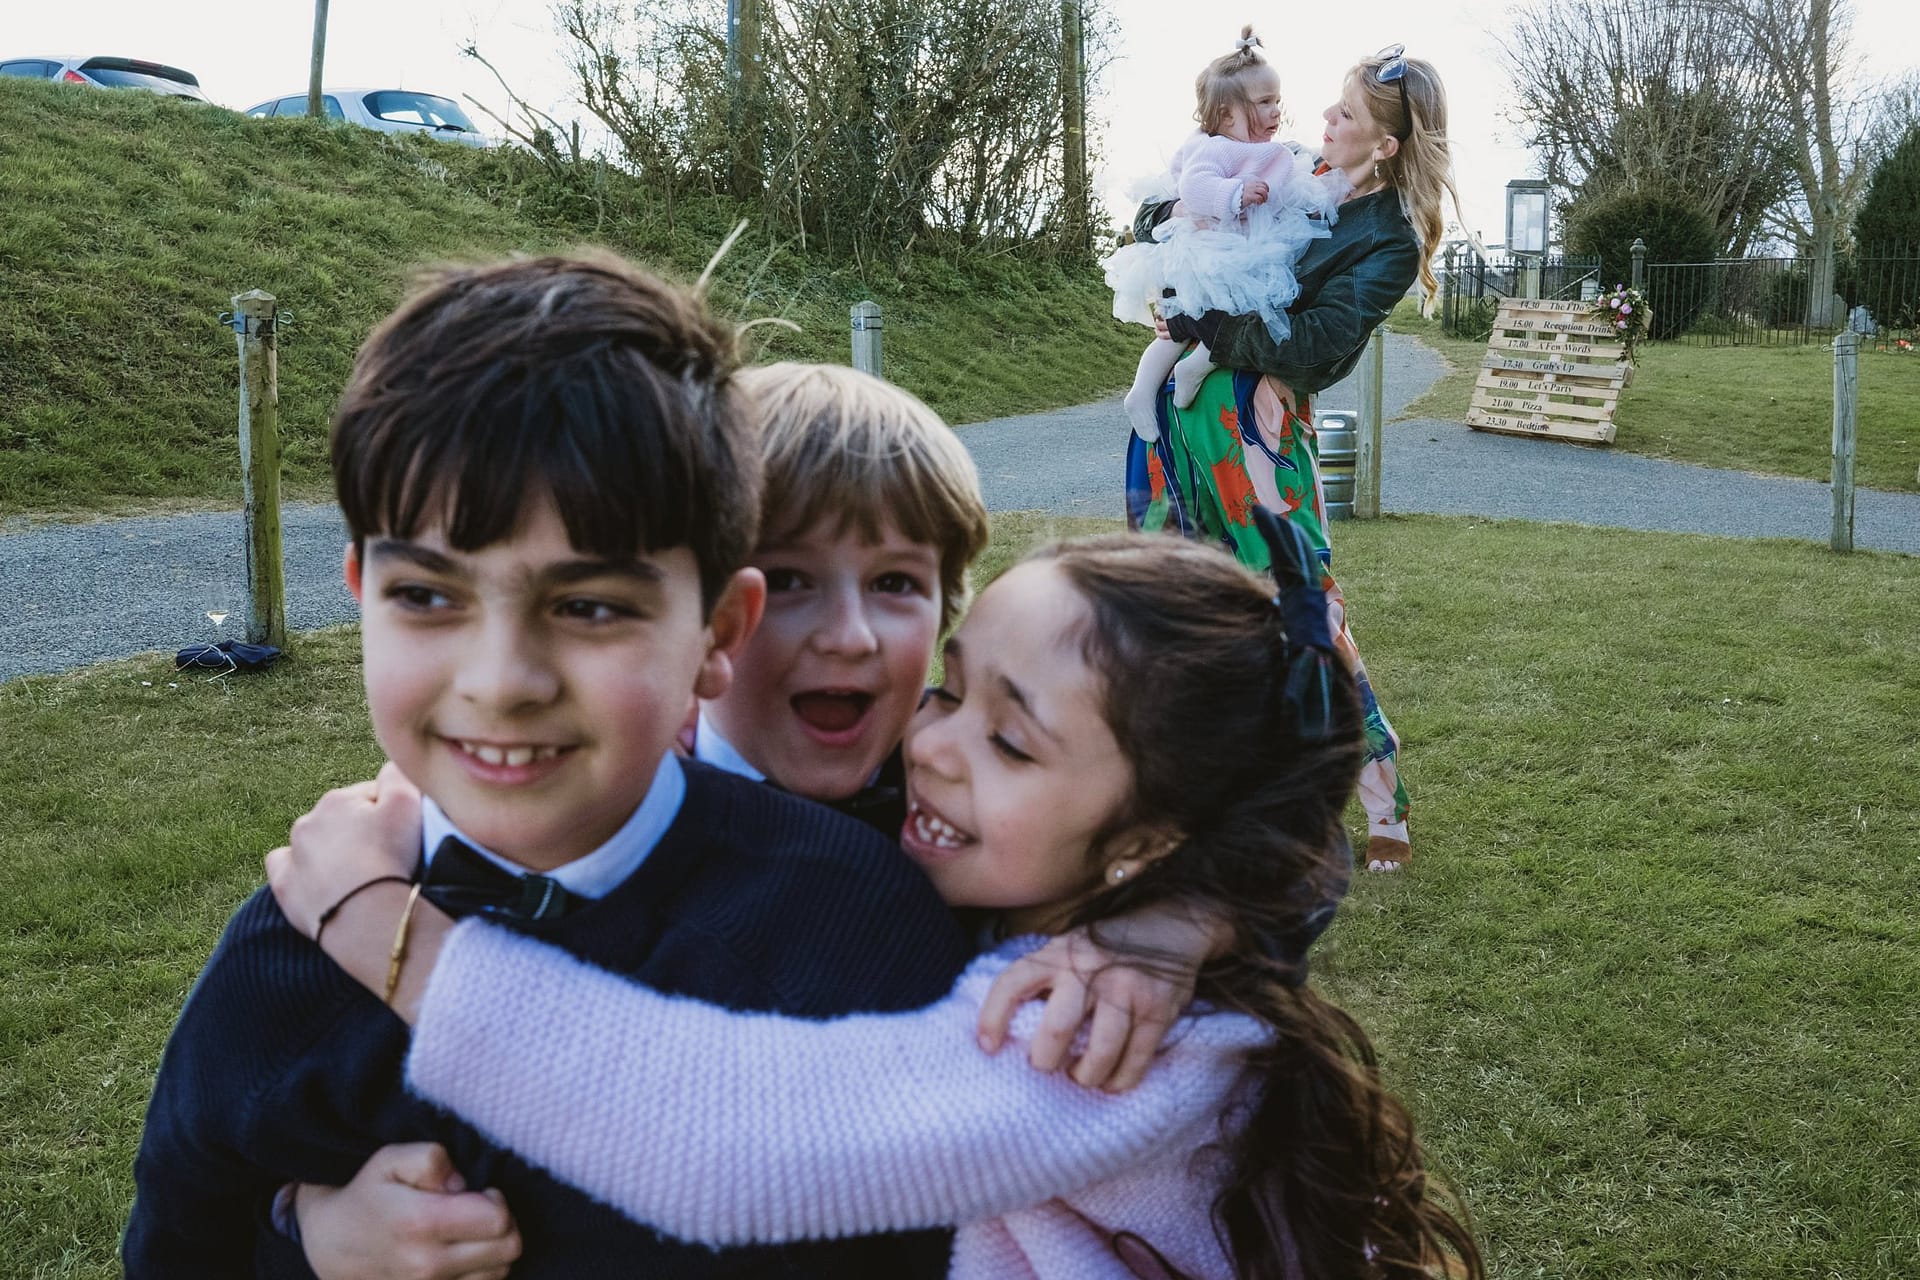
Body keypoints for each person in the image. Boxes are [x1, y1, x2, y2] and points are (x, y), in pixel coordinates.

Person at [268, 512, 1483, 1280]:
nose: (934, 744)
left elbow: (730, 1144)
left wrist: (384, 931)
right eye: (954, 691)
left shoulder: (1096, 1041)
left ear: (1148, 839)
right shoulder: (1082, 918)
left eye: (1014, 742)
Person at [121, 254, 973, 1278]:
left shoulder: (866, 922)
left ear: (718, 631)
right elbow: (179, 1244)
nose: (502, 680)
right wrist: (301, 1244)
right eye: (428, 596)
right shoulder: (284, 955)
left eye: (590, 604)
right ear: (359, 589)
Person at [1127, 45, 1463, 874]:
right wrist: (1171, 225)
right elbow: (1167, 211)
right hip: (1179, 418)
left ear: (1385, 145)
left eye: (1346, 115)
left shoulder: (1387, 237)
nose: (1325, 120)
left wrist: (1209, 329)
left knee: (1308, 610)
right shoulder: (1295, 167)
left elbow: (1318, 342)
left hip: (1258, 426)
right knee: (1179, 610)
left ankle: (1386, 807)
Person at [1104, 27, 1348, 442]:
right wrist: (1233, 194)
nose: (1276, 112)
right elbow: (1194, 187)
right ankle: (1142, 391)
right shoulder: (1217, 147)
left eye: (1277, 102)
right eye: (1264, 103)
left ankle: (1196, 364)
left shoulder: (1268, 149)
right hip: (1209, 253)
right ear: (1225, 116)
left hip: (1238, 252)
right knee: (1184, 323)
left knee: (1240, 310)